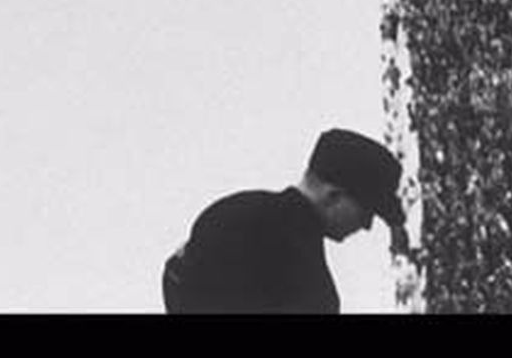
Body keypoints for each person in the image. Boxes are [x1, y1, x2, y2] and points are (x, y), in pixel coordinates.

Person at [162, 128, 406, 314]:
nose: (366, 226)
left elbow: (174, 277)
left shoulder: (229, 212)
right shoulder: (312, 286)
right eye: (366, 212)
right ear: (333, 196)